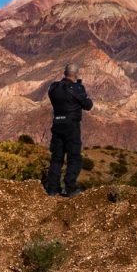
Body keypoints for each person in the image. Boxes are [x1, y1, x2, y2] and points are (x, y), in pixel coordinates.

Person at [45, 62, 93, 197]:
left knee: (56, 158)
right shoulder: (76, 89)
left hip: (57, 125)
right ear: (75, 73)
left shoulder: (53, 88)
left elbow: (57, 95)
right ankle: (70, 188)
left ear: (64, 72)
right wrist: (80, 89)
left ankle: (52, 189)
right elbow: (88, 105)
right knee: (74, 157)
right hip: (71, 126)